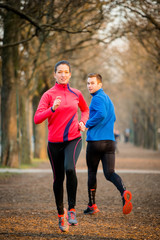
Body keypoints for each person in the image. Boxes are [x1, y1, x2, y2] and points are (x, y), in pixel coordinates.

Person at [34, 60, 89, 232]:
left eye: (66, 72)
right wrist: (52, 109)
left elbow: (85, 110)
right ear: (54, 74)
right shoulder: (48, 95)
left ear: (70, 74)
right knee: (58, 178)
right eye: (60, 72)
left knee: (70, 169)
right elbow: (37, 119)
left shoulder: (76, 93)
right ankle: (61, 215)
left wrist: (83, 122)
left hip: (73, 138)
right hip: (54, 143)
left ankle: (72, 210)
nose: (63, 74)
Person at [84, 73, 133, 215]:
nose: (89, 86)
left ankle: (92, 205)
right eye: (88, 83)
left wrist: (87, 124)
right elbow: (112, 117)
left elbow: (101, 114)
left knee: (92, 172)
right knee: (110, 173)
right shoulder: (108, 99)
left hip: (95, 142)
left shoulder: (97, 98)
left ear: (100, 85)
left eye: (92, 83)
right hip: (110, 142)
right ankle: (124, 192)